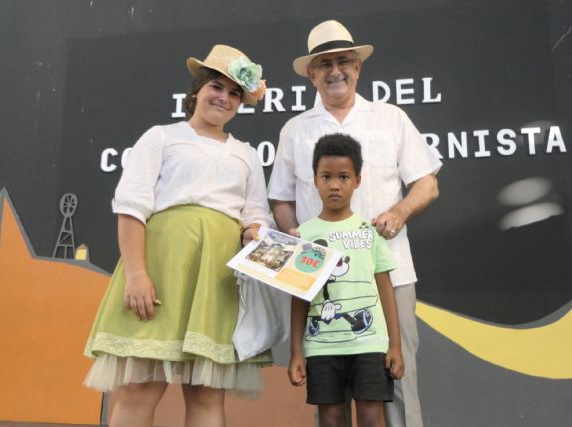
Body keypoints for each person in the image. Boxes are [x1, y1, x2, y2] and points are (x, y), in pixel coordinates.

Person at [84, 44, 271, 427]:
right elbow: (132, 207)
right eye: (217, 87)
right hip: (162, 268)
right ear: (197, 91)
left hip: (217, 280)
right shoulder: (161, 137)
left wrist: (254, 232)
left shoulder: (247, 155)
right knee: (139, 388)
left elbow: (255, 214)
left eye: (235, 93)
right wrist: (137, 274)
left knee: (207, 395)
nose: (224, 98)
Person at [268, 20, 442, 427]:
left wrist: (398, 213)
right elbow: (280, 199)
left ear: (358, 66)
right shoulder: (294, 130)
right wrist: (297, 243)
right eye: (324, 64)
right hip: (321, 282)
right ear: (311, 74)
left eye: (344, 61)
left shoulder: (390, 118)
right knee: (329, 395)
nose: (335, 71)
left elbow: (427, 184)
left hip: (389, 275)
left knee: (395, 380)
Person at [288, 133, 404, 427]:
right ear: (314, 180)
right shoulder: (304, 235)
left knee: (370, 414)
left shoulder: (369, 230)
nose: (335, 185)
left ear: (357, 181)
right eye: (326, 177)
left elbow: (385, 289)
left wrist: (395, 346)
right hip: (321, 346)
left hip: (369, 344)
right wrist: (296, 352)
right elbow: (299, 297)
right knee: (331, 417)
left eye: (343, 177)